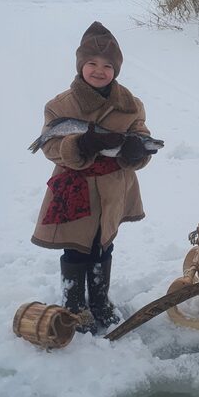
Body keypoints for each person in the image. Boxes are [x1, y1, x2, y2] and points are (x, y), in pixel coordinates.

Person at [31, 21, 154, 333]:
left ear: (116, 69)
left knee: (104, 244)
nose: (99, 71)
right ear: (80, 65)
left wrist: (137, 151)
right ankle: (74, 306)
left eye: (107, 65)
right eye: (92, 64)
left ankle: (99, 301)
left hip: (113, 188)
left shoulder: (131, 104)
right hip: (75, 188)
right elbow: (51, 147)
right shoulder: (60, 105)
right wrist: (80, 144)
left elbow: (141, 136)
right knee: (75, 246)